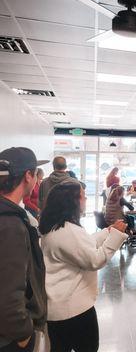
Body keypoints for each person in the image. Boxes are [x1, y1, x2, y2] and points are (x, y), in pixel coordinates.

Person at [39, 181, 128, 352]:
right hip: (73, 310)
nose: (86, 198)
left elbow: (82, 246)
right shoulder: (67, 231)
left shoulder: (56, 227)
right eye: (82, 195)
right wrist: (116, 235)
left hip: (60, 306)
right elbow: (95, 260)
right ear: (73, 200)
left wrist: (107, 232)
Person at [0, 147, 48, 352]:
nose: (37, 179)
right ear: (28, 176)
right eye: (36, 173)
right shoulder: (11, 224)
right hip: (10, 338)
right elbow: (9, 292)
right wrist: (23, 333)